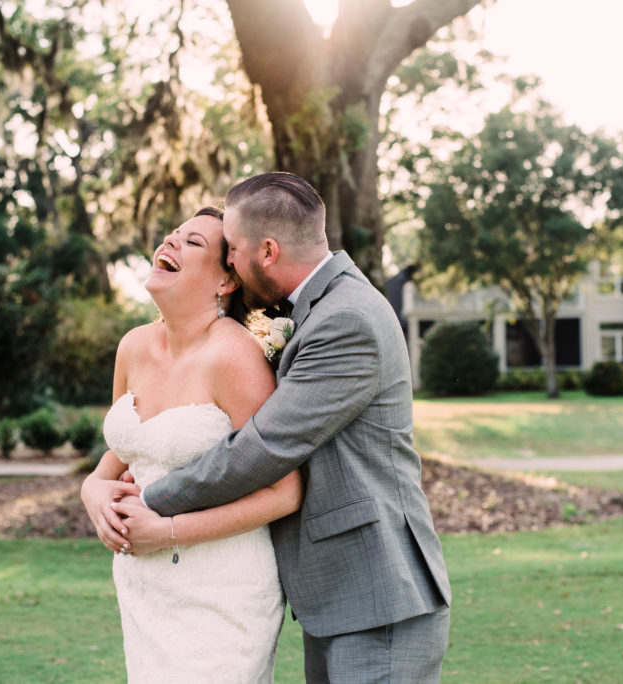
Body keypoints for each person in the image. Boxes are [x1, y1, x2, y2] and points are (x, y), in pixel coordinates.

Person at [87, 172, 452, 682]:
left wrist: (148, 507)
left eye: (230, 249)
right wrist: (97, 490)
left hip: (377, 588)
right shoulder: (313, 310)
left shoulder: (347, 318)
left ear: (268, 252)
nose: (229, 260)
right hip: (334, 591)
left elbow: (261, 449)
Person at [80, 207, 303, 683]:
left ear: (227, 281)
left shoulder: (234, 356)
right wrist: (93, 490)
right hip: (143, 583)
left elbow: (285, 492)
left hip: (221, 588)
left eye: (194, 242)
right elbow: (128, 451)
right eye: (173, 235)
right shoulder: (133, 346)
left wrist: (170, 531)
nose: (171, 242)